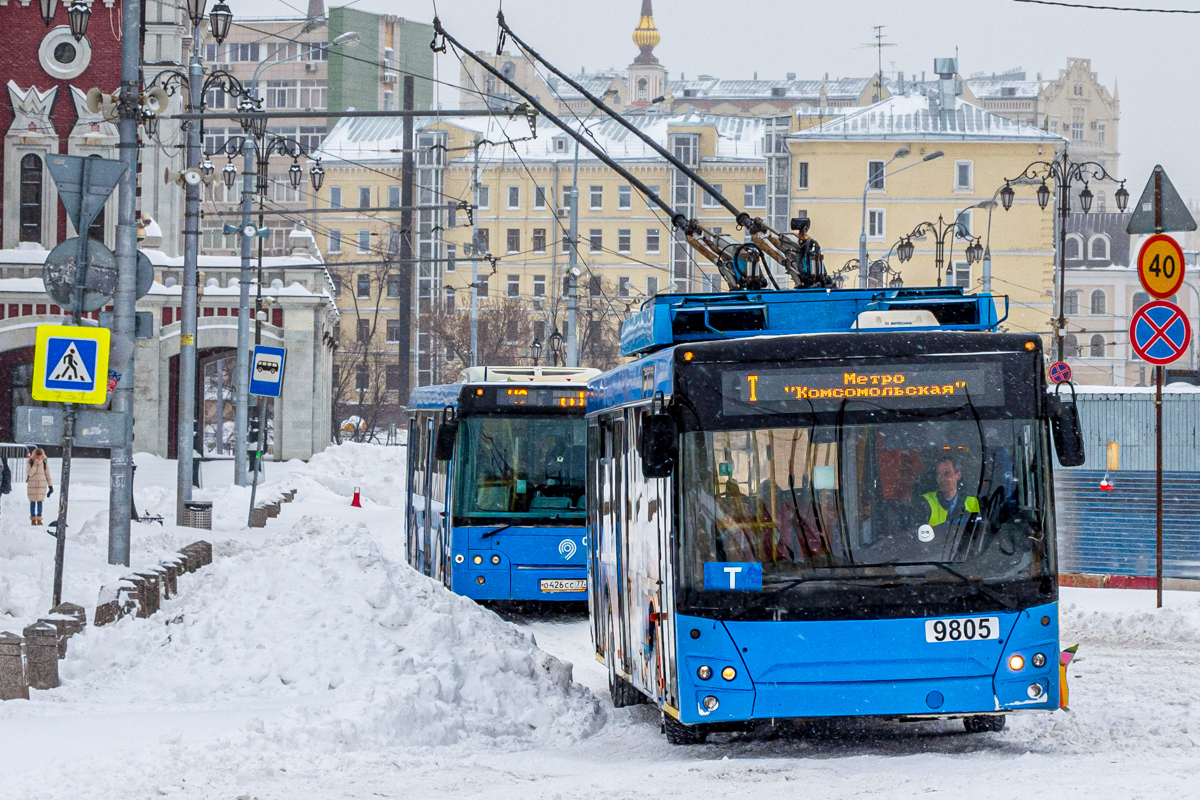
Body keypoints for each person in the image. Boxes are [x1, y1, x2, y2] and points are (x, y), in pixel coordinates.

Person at [920, 456, 979, 533]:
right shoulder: (925, 502)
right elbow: (919, 534)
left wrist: (936, 529)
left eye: (947, 473)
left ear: (958, 475)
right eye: (939, 475)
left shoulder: (973, 502)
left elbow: (978, 532)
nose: (942, 479)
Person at [26, 448, 53, 526]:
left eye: (40, 455)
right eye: (37, 455)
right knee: (32, 502)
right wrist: (34, 465)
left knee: (40, 502)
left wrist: (50, 486)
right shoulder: (30, 462)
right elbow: (30, 473)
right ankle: (33, 519)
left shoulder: (44, 463)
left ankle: (39, 518)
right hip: (32, 485)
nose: (38, 457)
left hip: (41, 485)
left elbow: (47, 475)